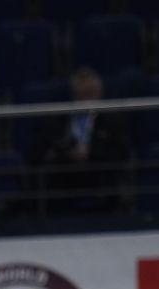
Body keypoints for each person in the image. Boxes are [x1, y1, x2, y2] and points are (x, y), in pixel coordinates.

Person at [34, 67, 129, 212]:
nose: (84, 101)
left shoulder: (111, 119)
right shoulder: (60, 118)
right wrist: (69, 153)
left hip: (98, 174)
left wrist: (90, 152)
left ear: (99, 94)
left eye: (89, 94)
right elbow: (48, 145)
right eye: (80, 95)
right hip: (66, 174)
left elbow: (120, 151)